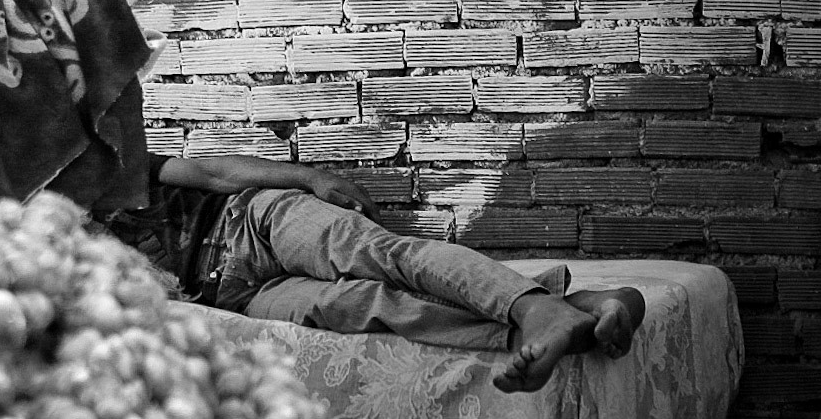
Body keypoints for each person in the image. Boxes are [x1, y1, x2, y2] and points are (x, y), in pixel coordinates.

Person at [94, 152, 646, 394]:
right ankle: (573, 311)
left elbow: (211, 172)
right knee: (372, 306)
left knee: (389, 258)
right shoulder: (30, 263)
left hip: (249, 222)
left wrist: (310, 180)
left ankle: (535, 309)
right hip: (232, 297)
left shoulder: (91, 167)